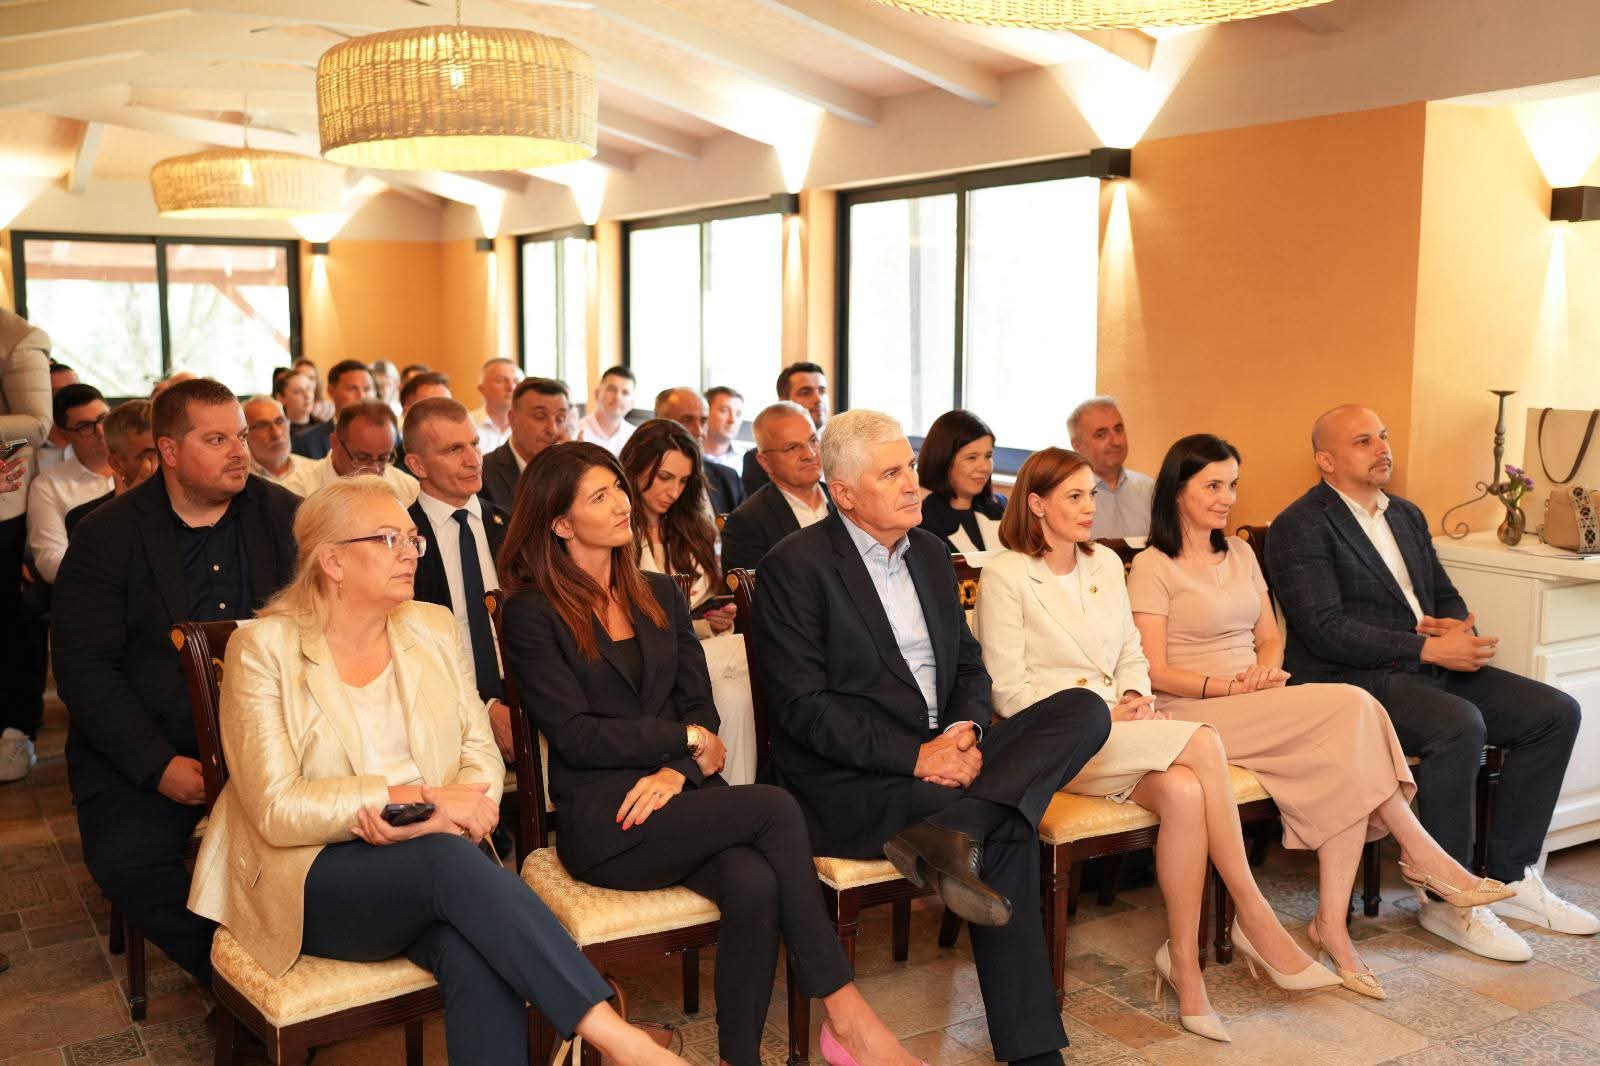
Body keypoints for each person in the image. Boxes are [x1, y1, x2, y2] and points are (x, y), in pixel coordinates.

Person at [187, 476, 680, 1066]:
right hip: (311, 877)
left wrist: (447, 811)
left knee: (474, 951)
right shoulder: (262, 650)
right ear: (332, 562)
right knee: (449, 865)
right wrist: (419, 803)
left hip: (434, 859)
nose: (409, 553)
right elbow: (277, 807)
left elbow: (478, 747)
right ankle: (617, 1038)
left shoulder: (431, 626)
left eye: (412, 539)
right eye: (388, 539)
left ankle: (601, 1037)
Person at [496, 442, 923, 1066]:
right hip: (608, 819)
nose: (621, 504)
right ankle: (846, 1013)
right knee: (774, 807)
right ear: (560, 523)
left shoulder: (660, 594)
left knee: (754, 883)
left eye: (618, 489)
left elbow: (701, 709)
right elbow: (577, 735)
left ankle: (737, 1059)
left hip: (682, 798)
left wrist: (677, 768)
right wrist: (685, 744)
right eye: (599, 496)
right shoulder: (531, 612)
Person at [754, 410, 1112, 1066]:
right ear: (845, 494)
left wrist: (963, 733)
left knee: (1085, 710)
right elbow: (803, 712)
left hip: (946, 753)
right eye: (891, 474)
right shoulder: (795, 567)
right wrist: (917, 757)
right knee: (1010, 830)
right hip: (852, 783)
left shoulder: (926, 553)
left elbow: (969, 667)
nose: (913, 485)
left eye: (911, 468)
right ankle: (1035, 1055)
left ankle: (956, 828)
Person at [1126, 432, 1516, 998]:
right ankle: (1420, 854)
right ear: (1177, 491)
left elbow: (1270, 637)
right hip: (1191, 709)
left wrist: (1263, 672)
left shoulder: (1240, 554)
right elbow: (1154, 669)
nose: (1227, 497)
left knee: (1348, 751)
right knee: (1353, 705)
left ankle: (1334, 925)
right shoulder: (1151, 566)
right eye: (1212, 486)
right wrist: (1228, 686)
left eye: (1232, 485)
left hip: (1256, 696)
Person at [975, 448, 1337, 1042]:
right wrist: (1101, 711)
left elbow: (1131, 653)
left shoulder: (1103, 563)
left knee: (1187, 792)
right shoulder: (1006, 575)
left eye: (1092, 495)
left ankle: (1185, 967)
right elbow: (1008, 692)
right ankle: (1254, 915)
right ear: (1036, 504)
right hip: (1058, 744)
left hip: (1124, 729)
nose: (1090, 508)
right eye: (1074, 497)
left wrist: (1134, 697)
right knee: (1204, 739)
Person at [1268, 404, 1594, 959]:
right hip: (1354, 683)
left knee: (1554, 713)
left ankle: (1511, 876)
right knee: (1457, 725)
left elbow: (1441, 593)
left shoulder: (1406, 515)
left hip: (1428, 666)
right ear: (1326, 460)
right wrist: (1425, 647)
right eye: (1363, 441)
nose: (1382, 448)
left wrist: (1460, 629)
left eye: (1383, 436)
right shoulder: (1299, 525)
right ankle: (1447, 899)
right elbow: (1325, 631)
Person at [53, 378, 301, 985]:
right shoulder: (106, 536)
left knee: (336, 841)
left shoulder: (284, 515)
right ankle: (239, 980)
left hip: (275, 739)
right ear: (168, 450)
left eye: (240, 436)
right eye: (216, 440)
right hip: (154, 744)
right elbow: (86, 670)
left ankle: (293, 966)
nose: (239, 452)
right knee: (128, 863)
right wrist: (157, 765)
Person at [619, 421, 754, 784]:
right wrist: (701, 625)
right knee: (751, 652)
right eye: (664, 477)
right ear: (635, 466)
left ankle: (733, 799)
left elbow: (705, 598)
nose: (673, 491)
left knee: (735, 694)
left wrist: (717, 617)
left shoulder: (691, 528)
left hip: (701, 652)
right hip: (652, 660)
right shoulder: (617, 531)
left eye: (683, 481)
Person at [403, 397, 514, 755]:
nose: (473, 459)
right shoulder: (401, 540)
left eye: (475, 444)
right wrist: (483, 709)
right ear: (417, 465)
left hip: (526, 699)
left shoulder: (512, 527)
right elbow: (410, 649)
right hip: (442, 712)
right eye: (454, 450)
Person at [0, 309, 52, 784]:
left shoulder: (17, 338)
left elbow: (37, 424)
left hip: (4, 506)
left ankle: (15, 728)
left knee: (8, 623)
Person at [719, 402, 830, 575]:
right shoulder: (747, 524)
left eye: (813, 440)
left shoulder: (846, 498)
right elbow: (755, 591)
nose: (810, 454)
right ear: (765, 462)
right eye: (792, 448)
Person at [27, 383, 115, 584]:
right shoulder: (49, 485)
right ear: (63, 434)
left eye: (104, 419)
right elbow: (50, 562)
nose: (101, 432)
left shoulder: (145, 467)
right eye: (85, 427)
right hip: (92, 589)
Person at [281, 402, 420, 506]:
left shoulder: (408, 489)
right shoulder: (298, 491)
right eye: (363, 458)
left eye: (383, 458)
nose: (374, 469)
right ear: (335, 443)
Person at [917, 409, 1007, 556]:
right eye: (972, 457)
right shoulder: (922, 521)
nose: (984, 467)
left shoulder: (1002, 506)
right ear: (943, 460)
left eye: (988, 456)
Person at [64, 400, 158, 537]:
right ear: (117, 464)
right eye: (150, 457)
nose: (167, 464)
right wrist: (122, 515)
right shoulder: (85, 521)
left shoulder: (190, 505)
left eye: (169, 450)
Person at [1068, 397, 1153, 540]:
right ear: (1077, 445)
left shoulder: (1149, 489)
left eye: (1118, 430)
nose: (1116, 441)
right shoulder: (1067, 496)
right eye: (1101, 434)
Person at [482, 377, 571, 513]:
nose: (552, 429)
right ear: (513, 419)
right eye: (540, 416)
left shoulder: (568, 471)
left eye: (560, 418)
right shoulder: (484, 473)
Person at [653, 386, 745, 516]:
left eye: (703, 421)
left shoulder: (728, 478)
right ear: (660, 422)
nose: (699, 431)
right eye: (687, 420)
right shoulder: (645, 480)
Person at [742, 362, 829, 494]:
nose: (818, 399)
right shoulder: (761, 460)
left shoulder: (841, 450)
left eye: (822, 391)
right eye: (805, 393)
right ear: (784, 401)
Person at [293, 360, 375, 460]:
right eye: (352, 388)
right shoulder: (306, 442)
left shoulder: (385, 438)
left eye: (367, 389)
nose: (361, 396)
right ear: (331, 391)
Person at [243, 395, 312, 485]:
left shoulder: (313, 471)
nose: (276, 434)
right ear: (245, 435)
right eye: (263, 426)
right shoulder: (241, 480)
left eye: (280, 421)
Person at [578, 365, 636, 457]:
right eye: (612, 389)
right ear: (597, 394)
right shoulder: (576, 431)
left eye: (625, 392)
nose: (618, 397)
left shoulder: (636, 437)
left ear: (632, 402)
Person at [470, 358, 520, 454]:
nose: (511, 387)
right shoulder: (467, 425)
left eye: (516, 381)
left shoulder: (527, 427)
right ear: (482, 389)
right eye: (501, 380)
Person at [703, 386, 746, 471]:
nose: (732, 420)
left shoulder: (746, 460)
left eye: (738, 414)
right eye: (724, 411)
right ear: (705, 413)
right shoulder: (686, 457)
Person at [273, 368, 320, 434]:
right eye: (298, 391)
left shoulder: (323, 427)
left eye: (308, 389)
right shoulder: (278, 433)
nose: (307, 396)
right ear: (281, 398)